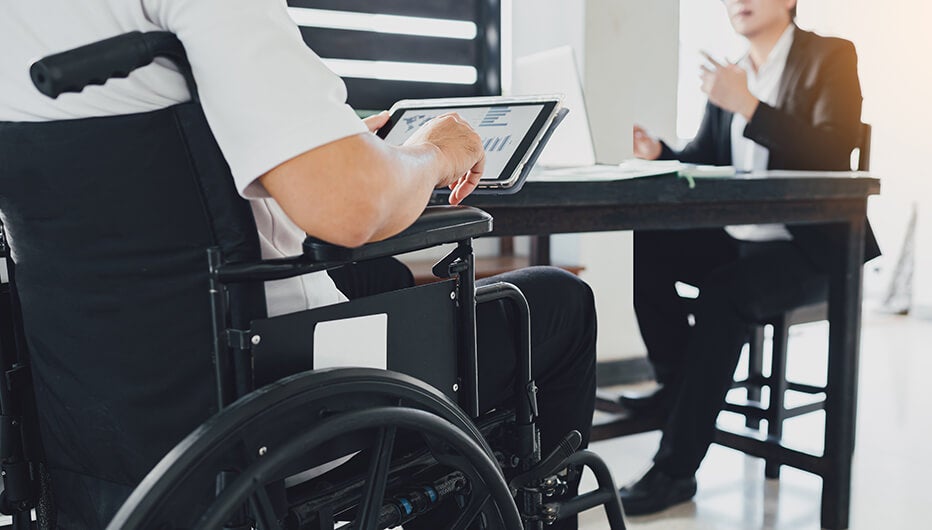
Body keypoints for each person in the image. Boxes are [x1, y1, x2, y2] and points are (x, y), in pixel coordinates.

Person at [0, 1, 596, 528]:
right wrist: (436, 152)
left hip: (89, 414)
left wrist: (329, 148)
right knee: (554, 304)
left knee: (383, 279)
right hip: (270, 401)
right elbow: (350, 209)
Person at [619, 0, 880, 516]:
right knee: (651, 238)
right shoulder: (732, 75)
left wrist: (750, 107)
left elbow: (833, 151)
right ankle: (678, 387)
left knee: (725, 294)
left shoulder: (829, 57)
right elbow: (707, 160)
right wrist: (663, 154)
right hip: (744, 238)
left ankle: (674, 469)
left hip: (812, 247)